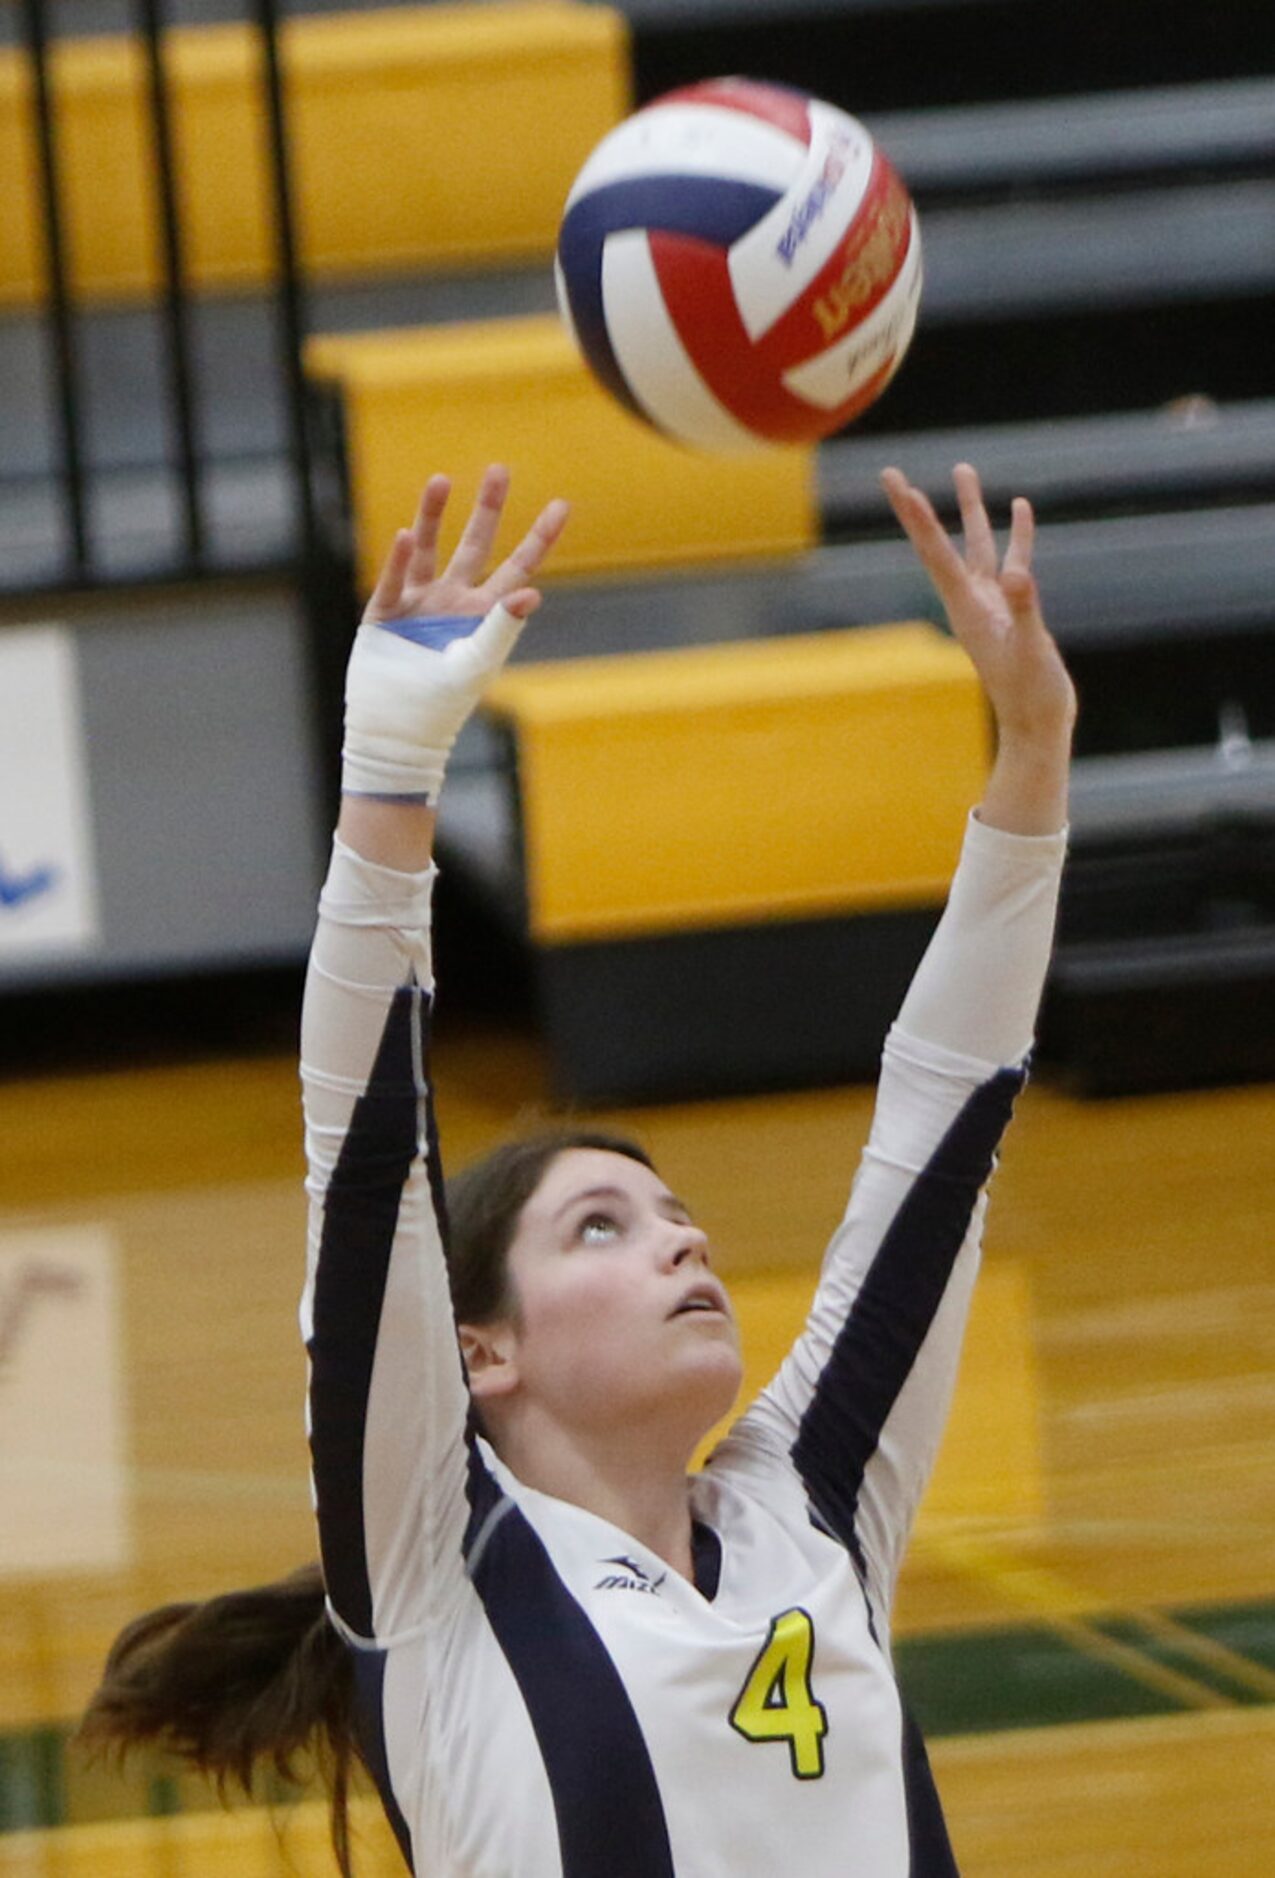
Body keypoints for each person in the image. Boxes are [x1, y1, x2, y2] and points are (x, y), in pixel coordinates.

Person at [80, 460, 1075, 1876]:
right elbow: (368, 1167)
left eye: (677, 1217)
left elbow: (944, 1123)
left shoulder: (817, 1503)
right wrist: (391, 778)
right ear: (479, 1350)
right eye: (604, 1227)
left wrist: (1032, 746)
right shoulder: (440, 1560)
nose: (686, 1245)